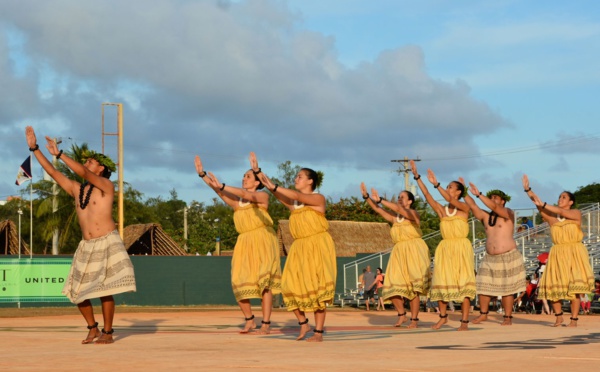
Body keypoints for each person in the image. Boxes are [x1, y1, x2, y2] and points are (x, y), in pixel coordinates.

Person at [25, 126, 136, 344]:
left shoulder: (106, 186)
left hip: (107, 241)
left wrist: (60, 154)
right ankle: (92, 328)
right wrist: (35, 148)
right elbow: (54, 173)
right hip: (86, 245)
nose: (86, 164)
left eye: (90, 162)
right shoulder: (78, 190)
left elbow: (84, 173)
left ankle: (108, 332)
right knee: (77, 291)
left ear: (102, 168)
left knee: (106, 289)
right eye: (85, 162)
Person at [194, 153, 282, 334]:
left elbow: (241, 192)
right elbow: (219, 191)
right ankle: (250, 320)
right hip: (244, 241)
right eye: (243, 176)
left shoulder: (262, 197)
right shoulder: (237, 204)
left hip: (263, 239)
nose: (244, 178)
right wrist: (202, 175)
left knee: (264, 282)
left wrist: (224, 185)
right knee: (238, 280)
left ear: (257, 183)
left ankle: (266, 323)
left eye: (248, 176)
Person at [255, 158, 336, 342]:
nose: (296, 179)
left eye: (300, 176)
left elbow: (296, 196)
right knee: (288, 286)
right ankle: (304, 323)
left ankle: (318, 333)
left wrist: (273, 185)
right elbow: (278, 194)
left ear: (310, 181)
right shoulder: (295, 207)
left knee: (317, 288)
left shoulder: (318, 198)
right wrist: (260, 173)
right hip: (299, 247)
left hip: (317, 245)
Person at [523, 175, 595, 327]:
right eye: (559, 197)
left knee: (574, 288)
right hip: (557, 253)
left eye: (564, 197)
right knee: (553, 286)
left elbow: (559, 211)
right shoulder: (552, 218)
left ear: (571, 202)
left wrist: (544, 204)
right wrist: (528, 190)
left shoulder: (575, 214)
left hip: (574, 252)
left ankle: (574, 319)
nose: (561, 199)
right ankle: (559, 316)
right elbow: (538, 204)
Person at [411, 160, 475, 331]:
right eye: (447, 187)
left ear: (459, 192)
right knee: (441, 281)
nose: (447, 189)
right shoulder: (441, 211)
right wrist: (417, 177)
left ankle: (464, 322)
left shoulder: (464, 208)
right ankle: (443, 317)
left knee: (463, 284)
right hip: (445, 249)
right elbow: (427, 196)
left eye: (450, 187)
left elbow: (449, 199)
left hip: (461, 248)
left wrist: (437, 184)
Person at [360, 183, 431, 328]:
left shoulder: (414, 214)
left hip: (414, 250)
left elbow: (398, 208)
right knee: (391, 286)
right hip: (398, 251)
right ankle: (402, 315)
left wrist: (380, 199)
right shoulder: (395, 218)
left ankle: (414, 320)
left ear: (410, 201)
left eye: (402, 197)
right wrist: (367, 197)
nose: (399, 199)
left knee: (413, 288)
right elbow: (377, 209)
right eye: (398, 197)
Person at [461, 182, 526, 326]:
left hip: (508, 256)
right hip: (490, 258)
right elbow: (473, 206)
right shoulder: (486, 216)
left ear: (503, 201)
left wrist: (479, 194)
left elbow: (495, 207)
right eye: (491, 197)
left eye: (495, 197)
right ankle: (483, 314)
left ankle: (507, 317)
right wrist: (464, 191)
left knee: (507, 289)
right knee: (482, 285)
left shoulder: (508, 213)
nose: (492, 200)